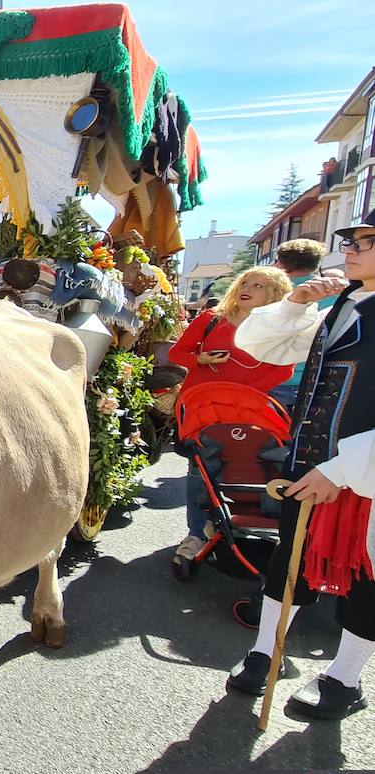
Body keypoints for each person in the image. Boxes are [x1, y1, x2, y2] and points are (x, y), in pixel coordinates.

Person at [224, 210, 375, 721]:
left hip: (366, 479)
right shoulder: (343, 308)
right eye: (350, 239)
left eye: (366, 241)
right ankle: (267, 651)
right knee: (289, 560)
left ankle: (345, 677)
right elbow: (254, 343)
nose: (351, 249)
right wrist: (294, 302)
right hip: (309, 467)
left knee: (368, 578)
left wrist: (343, 470)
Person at [168, 266, 294, 563]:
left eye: (259, 285)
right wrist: (199, 359)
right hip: (201, 408)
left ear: (275, 295)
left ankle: (234, 524)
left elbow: (285, 369)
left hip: (246, 409)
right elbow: (176, 354)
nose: (246, 288)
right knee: (199, 471)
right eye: (244, 282)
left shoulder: (275, 329)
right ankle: (197, 532)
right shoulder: (211, 320)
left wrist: (241, 392)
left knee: (245, 467)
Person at [269, 239, 337, 408]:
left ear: (282, 264)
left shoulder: (271, 293)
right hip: (321, 380)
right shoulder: (338, 296)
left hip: (274, 380)